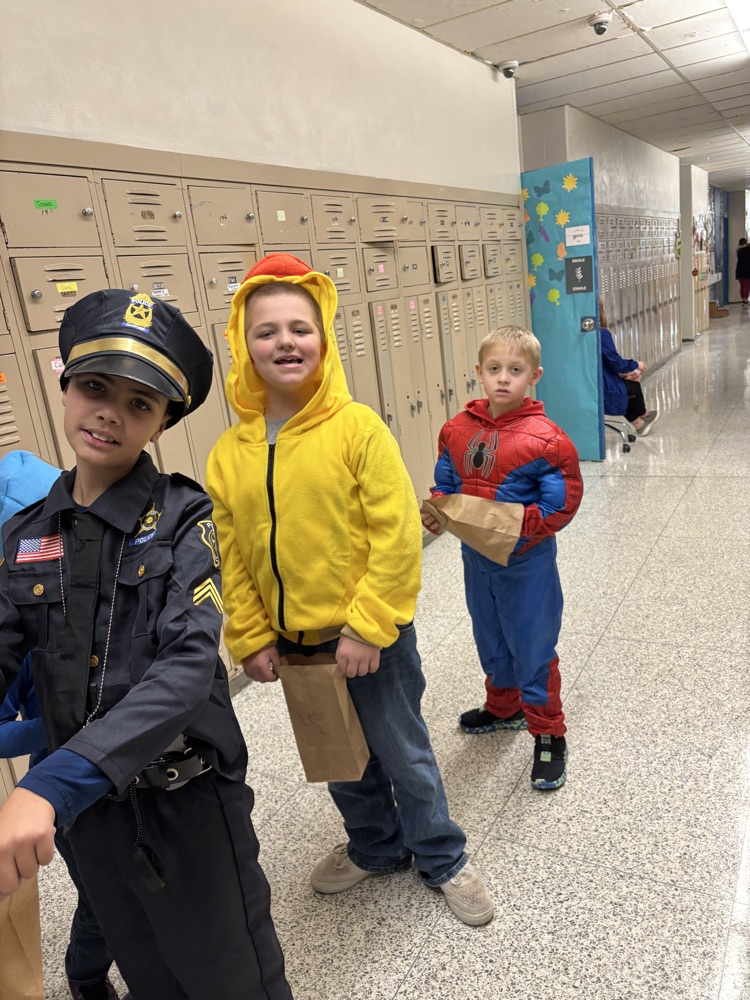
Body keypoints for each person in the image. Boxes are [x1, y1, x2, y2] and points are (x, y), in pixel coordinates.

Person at [0, 289, 293, 1000]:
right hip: (90, 818)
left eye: (139, 403)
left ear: (164, 420)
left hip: (185, 804)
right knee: (148, 973)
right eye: (95, 387)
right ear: (64, 385)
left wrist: (47, 784)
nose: (110, 412)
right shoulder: (25, 537)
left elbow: (188, 667)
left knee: (233, 980)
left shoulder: (183, 518)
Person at [205, 253, 494, 927]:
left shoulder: (356, 427)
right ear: (243, 346)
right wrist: (249, 636)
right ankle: (375, 846)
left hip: (373, 640)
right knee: (339, 757)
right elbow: (233, 557)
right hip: (294, 640)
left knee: (403, 752)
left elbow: (395, 536)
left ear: (325, 338)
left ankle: (441, 856)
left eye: (300, 328)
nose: (284, 341)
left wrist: (368, 625)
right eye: (267, 330)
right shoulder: (230, 453)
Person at [421, 325, 582, 790]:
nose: (504, 379)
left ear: (534, 376)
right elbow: (445, 484)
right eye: (495, 369)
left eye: (516, 370)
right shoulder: (456, 430)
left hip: (526, 562)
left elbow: (561, 503)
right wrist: (440, 513)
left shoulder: (548, 439)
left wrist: (512, 529)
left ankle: (549, 732)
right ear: (479, 373)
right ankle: (503, 706)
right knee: (489, 635)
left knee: (532, 643)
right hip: (477, 560)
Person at [0, 450, 122, 1000]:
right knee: (103, 895)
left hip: (127, 765)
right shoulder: (13, 620)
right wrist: (51, 726)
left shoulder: (107, 587)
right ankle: (87, 977)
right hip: (61, 779)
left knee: (150, 883)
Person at [599, 299, 657, 435]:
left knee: (626, 385)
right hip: (601, 385)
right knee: (631, 388)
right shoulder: (601, 333)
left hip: (591, 381)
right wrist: (637, 365)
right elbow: (615, 363)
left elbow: (603, 362)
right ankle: (642, 416)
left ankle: (639, 422)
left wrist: (622, 374)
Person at [736, 237, 750, 307]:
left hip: (739, 272)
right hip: (747, 272)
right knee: (747, 286)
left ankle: (743, 299)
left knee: (742, 286)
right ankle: (745, 300)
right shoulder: (747, 250)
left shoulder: (739, 251)